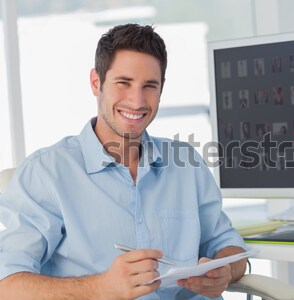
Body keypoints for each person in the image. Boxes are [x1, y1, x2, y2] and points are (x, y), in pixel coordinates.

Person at [0, 24, 247, 299]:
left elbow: (229, 247)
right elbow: (8, 284)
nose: (137, 100)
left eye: (149, 86)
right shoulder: (47, 173)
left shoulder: (186, 163)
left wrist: (225, 272)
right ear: (96, 82)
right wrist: (101, 287)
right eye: (123, 83)